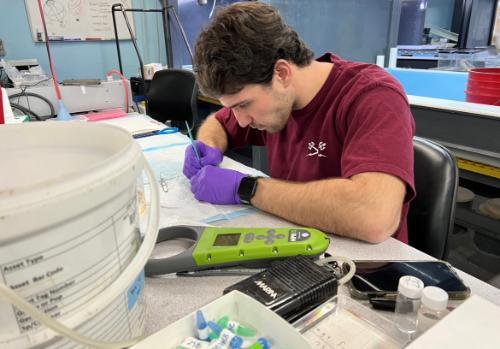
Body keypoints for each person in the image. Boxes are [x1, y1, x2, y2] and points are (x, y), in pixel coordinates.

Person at [183, 2, 415, 244]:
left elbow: (373, 217)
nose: (240, 122)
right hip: (296, 245)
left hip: (364, 268)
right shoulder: (274, 99)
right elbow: (218, 124)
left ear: (281, 73)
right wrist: (209, 145)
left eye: (243, 105)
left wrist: (248, 189)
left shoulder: (373, 96)